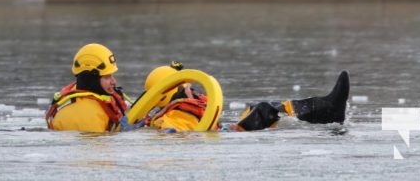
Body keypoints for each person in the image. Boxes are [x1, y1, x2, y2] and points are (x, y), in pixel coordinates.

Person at [140, 62, 350, 132]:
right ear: (173, 91)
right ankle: (327, 111)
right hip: (230, 138)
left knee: (254, 110)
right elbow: (181, 137)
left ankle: (323, 111)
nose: (193, 90)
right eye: (187, 86)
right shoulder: (174, 116)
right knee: (264, 110)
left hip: (225, 133)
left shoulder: (177, 112)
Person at [45, 43, 129, 132]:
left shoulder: (81, 93)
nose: (114, 81)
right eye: (107, 77)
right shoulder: (89, 120)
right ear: (92, 78)